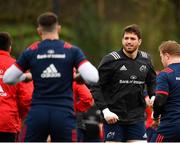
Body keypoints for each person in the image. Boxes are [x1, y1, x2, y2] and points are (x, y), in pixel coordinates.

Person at [3, 12, 99, 142]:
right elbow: (93, 77)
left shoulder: (32, 50)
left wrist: (26, 77)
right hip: (63, 114)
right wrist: (78, 77)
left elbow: (8, 78)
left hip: (38, 114)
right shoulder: (71, 50)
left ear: (39, 30)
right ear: (58, 28)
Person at [92, 24, 156, 142]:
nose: (129, 42)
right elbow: (96, 86)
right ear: (122, 40)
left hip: (137, 118)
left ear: (140, 41)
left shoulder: (146, 60)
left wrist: (153, 95)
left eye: (132, 39)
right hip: (114, 118)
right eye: (126, 38)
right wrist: (105, 111)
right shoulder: (111, 60)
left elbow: (152, 81)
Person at [0, 32, 33, 142]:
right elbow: (27, 98)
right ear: (10, 48)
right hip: (8, 122)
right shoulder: (18, 67)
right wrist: (19, 116)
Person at [150, 41, 180, 142]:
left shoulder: (165, 74)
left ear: (166, 56)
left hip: (171, 126)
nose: (162, 60)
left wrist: (155, 116)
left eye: (161, 57)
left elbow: (160, 100)